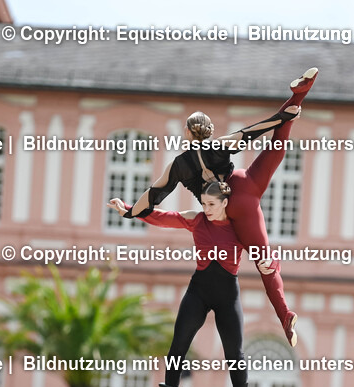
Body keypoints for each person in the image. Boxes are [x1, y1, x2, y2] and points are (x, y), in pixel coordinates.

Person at [121, 68, 319, 348]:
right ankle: (300, 94)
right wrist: (285, 115)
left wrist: (130, 211)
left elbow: (152, 196)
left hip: (227, 208)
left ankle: (285, 313)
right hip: (242, 186)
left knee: (263, 263)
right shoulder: (217, 145)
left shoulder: (178, 165)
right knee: (276, 149)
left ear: (188, 132)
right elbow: (249, 133)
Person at [111, 180, 256, 387]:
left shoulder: (239, 228)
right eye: (203, 203)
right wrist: (128, 209)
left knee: (235, 353)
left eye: (211, 204)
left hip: (227, 296)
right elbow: (162, 217)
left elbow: (262, 249)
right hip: (199, 291)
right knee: (179, 344)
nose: (206, 208)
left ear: (224, 203)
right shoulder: (197, 219)